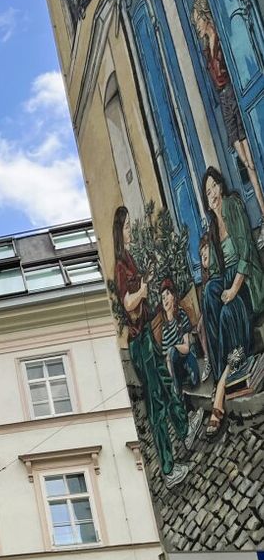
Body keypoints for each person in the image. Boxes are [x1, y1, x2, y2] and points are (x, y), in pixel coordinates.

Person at [111, 206, 192, 482]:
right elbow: (127, 303)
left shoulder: (129, 259)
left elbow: (137, 292)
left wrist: (146, 279)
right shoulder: (119, 266)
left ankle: (184, 430)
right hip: (139, 341)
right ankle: (168, 468)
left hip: (146, 334)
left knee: (166, 384)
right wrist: (143, 291)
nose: (130, 230)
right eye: (127, 228)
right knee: (156, 402)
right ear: (119, 233)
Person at [199, 167, 263, 405]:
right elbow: (216, 272)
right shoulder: (212, 227)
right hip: (227, 278)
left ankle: (227, 376)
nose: (213, 194)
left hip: (246, 279)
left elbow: (246, 251)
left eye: (214, 186)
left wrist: (234, 289)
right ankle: (220, 374)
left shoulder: (232, 206)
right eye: (208, 192)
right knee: (208, 293)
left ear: (221, 187)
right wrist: (220, 287)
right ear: (206, 201)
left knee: (227, 312)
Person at [192, 0, 263, 205]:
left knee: (252, 158)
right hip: (224, 100)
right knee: (245, 159)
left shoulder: (220, 38)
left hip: (233, 92)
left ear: (205, 16)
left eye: (197, 20)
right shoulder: (206, 49)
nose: (197, 26)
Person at [160, 279, 202, 393]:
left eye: (168, 294)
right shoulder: (164, 328)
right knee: (170, 355)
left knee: (194, 381)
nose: (165, 299)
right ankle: (178, 390)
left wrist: (173, 348)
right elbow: (167, 358)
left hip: (187, 359)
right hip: (176, 368)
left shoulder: (181, 315)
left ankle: (180, 386)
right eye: (163, 297)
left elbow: (187, 347)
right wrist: (174, 381)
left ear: (173, 296)